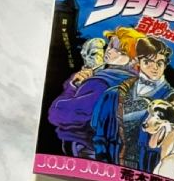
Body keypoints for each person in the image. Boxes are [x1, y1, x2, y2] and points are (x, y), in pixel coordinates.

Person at [91, 37, 174, 171]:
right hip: (114, 169)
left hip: (157, 172)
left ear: (165, 65)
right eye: (147, 62)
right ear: (138, 62)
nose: (154, 68)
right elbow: (100, 137)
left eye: (160, 63)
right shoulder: (113, 95)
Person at [48, 27, 143, 158]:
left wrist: (72, 87)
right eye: (111, 45)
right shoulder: (139, 84)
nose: (110, 51)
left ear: (134, 60)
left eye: (120, 51)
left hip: (86, 149)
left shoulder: (101, 82)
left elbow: (58, 114)